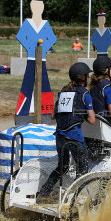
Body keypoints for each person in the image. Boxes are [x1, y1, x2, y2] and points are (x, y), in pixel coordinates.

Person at [38, 62, 95, 201]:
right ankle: (73, 197)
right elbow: (92, 120)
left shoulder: (64, 91)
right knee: (83, 169)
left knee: (62, 167)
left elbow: (52, 116)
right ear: (83, 78)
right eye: (87, 76)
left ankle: (44, 193)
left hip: (59, 136)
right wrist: (83, 115)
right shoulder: (85, 94)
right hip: (74, 138)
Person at [15, 0, 56, 124]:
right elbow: (21, 37)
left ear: (43, 7)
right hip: (31, 59)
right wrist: (33, 48)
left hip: (42, 60)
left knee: (45, 84)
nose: (38, 8)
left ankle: (46, 114)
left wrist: (42, 49)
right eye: (35, 5)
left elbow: (51, 39)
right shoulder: (27, 23)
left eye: (40, 5)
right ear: (32, 6)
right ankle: (22, 113)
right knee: (27, 84)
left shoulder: (45, 24)